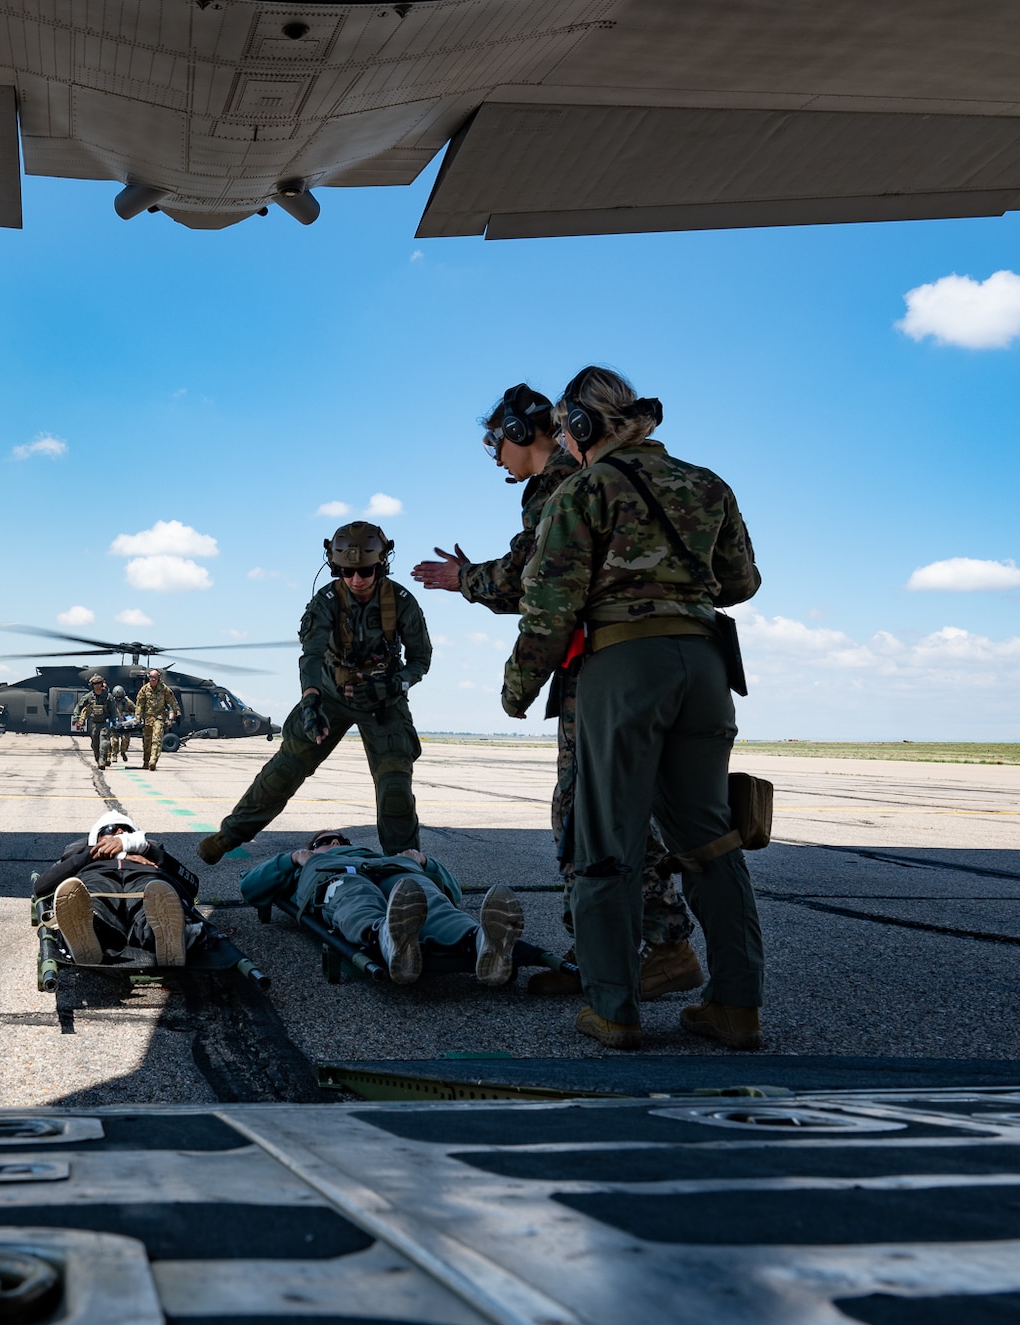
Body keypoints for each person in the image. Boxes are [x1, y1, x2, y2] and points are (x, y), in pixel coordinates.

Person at [411, 385, 702, 1002]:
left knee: (583, 813)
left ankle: (623, 953)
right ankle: (644, 946)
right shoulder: (597, 477)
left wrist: (465, 582)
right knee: (651, 810)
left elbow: (534, 582)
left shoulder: (563, 487)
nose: (495, 458)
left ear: (524, 432)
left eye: (497, 442)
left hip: (604, 667)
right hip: (677, 661)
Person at [502, 367, 763, 1051]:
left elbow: (549, 605)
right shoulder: (708, 483)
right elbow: (741, 581)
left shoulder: (583, 491)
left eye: (565, 429)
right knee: (711, 837)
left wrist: (517, 687)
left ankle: (614, 1010)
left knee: (605, 843)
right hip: (706, 666)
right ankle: (736, 1007)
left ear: (583, 426)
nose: (562, 441)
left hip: (624, 668)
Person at [199, 522, 431, 863]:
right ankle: (228, 835)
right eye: (345, 571)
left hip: (383, 699)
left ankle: (405, 866)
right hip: (329, 693)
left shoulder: (402, 602)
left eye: (365, 570)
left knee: (394, 782)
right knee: (285, 769)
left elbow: (420, 660)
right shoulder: (324, 602)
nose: (356, 579)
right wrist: (311, 701)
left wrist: (396, 683)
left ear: (381, 564)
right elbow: (311, 655)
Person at [240, 831, 523, 986]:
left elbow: (453, 892)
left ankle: (480, 940)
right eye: (324, 841)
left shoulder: (382, 856)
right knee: (353, 893)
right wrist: (290, 859)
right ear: (311, 848)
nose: (335, 842)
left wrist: (424, 862)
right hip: (335, 875)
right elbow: (250, 888)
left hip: (389, 869)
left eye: (341, 840)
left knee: (424, 894)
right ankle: (387, 938)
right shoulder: (306, 863)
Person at [37, 814, 205, 967]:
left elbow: (192, 884)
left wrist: (145, 849)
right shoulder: (82, 856)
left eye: (127, 830)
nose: (119, 831)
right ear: (96, 837)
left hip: (145, 876)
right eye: (109, 829)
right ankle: (87, 937)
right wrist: (94, 854)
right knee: (93, 904)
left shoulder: (151, 856)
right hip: (98, 876)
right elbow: (41, 887)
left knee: (153, 900)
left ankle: (167, 938)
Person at [134, 668, 178, 770]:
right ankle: (146, 761)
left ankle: (153, 760)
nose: (153, 679)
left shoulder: (164, 689)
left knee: (157, 739)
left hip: (159, 717)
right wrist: (138, 717)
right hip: (147, 718)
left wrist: (177, 712)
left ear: (158, 678)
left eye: (155, 678)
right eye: (151, 677)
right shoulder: (144, 689)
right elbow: (139, 704)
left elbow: (172, 701)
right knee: (146, 742)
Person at [72, 674, 114, 767]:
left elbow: (113, 710)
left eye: (99, 683)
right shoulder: (89, 697)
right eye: (95, 684)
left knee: (105, 742)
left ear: (101, 684)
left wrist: (114, 721)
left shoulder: (108, 697)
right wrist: (76, 716)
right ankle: (98, 757)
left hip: (104, 723)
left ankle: (102, 760)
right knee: (95, 744)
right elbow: (79, 706)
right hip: (94, 723)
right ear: (92, 685)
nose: (97, 685)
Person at [109, 685, 134, 763]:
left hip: (125, 723)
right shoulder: (111, 701)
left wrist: (131, 717)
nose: (118, 699)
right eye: (117, 698)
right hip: (115, 723)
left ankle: (123, 752)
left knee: (125, 740)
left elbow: (135, 709)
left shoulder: (127, 701)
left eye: (120, 697)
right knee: (114, 740)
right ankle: (114, 755)